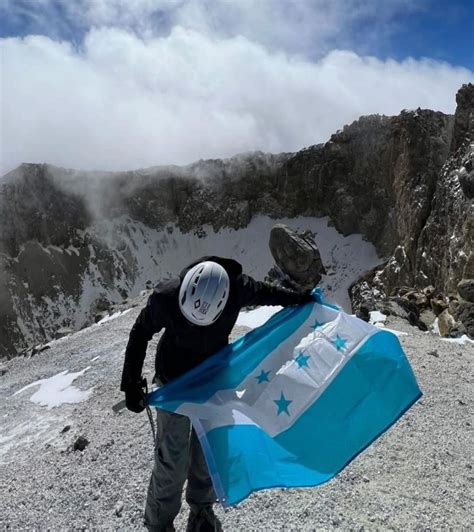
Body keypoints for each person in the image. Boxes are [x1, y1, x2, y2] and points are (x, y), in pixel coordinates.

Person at [120, 256, 314, 532]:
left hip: (211, 381)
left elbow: (267, 293)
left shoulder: (237, 288)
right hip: (175, 382)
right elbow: (140, 331)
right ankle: (159, 525)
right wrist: (130, 382)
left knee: (208, 451)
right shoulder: (166, 296)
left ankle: (201, 513)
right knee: (172, 460)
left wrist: (299, 299)